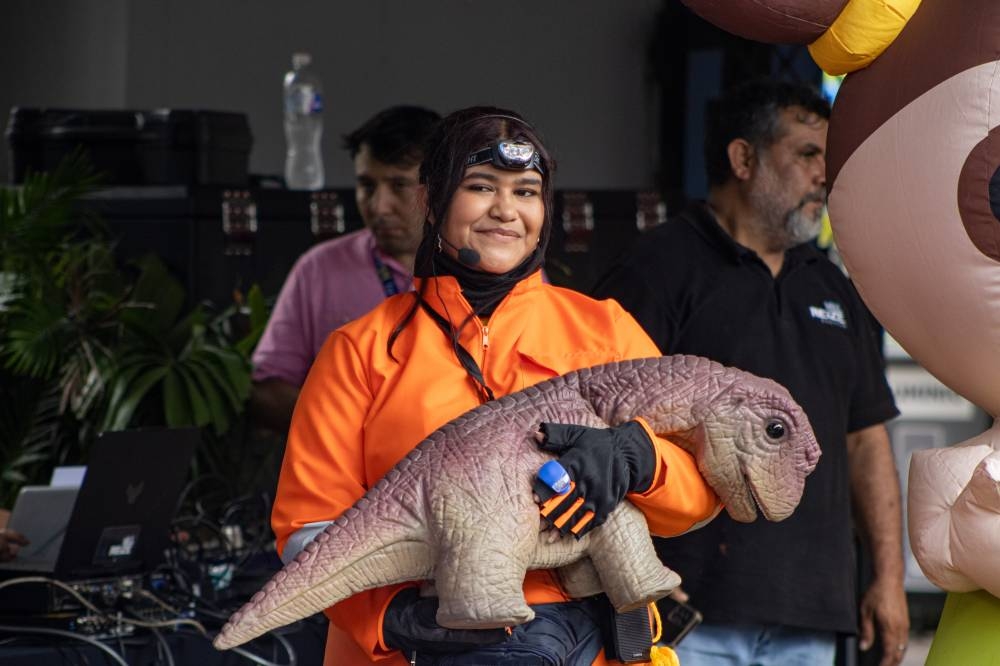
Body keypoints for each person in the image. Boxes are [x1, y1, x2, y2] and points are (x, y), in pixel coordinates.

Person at [270, 106, 721, 665]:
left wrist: (639, 458)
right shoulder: (362, 350)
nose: (506, 211)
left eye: (527, 192)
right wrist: (391, 617)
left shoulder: (605, 330)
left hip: (592, 644)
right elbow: (307, 530)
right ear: (431, 200)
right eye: (481, 187)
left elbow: (698, 496)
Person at [593, 79, 909, 666]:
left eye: (828, 159)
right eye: (808, 154)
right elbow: (599, 421)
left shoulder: (833, 284)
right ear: (743, 159)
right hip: (687, 608)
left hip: (813, 609)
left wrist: (888, 579)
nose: (823, 175)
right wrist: (631, 562)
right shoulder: (659, 266)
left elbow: (865, 439)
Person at [250, 105, 441, 433]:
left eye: (399, 186)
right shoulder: (319, 269)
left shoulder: (495, 267)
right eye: (367, 186)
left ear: (441, 185)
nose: (379, 206)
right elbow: (267, 389)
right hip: (347, 478)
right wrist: (350, 430)